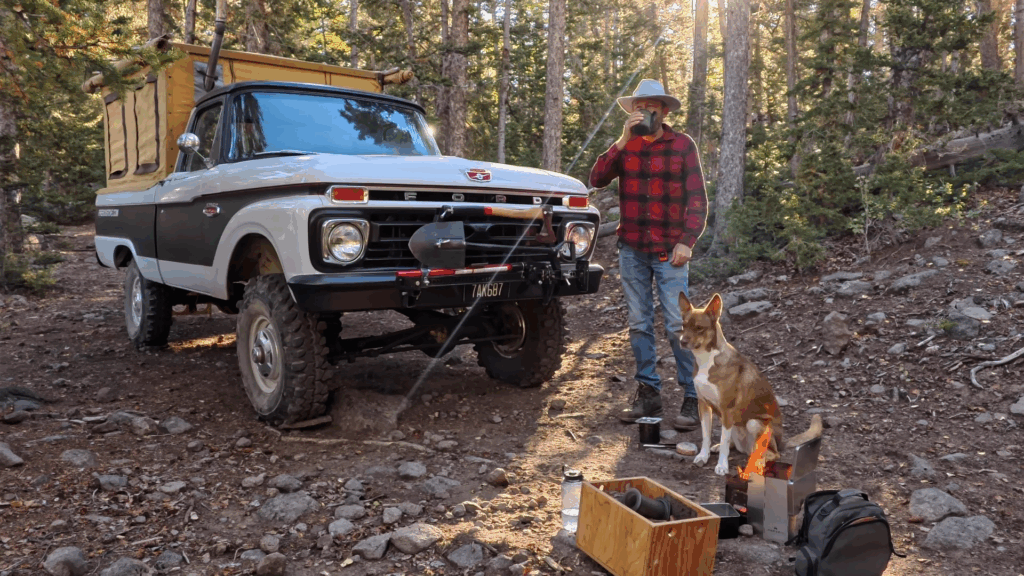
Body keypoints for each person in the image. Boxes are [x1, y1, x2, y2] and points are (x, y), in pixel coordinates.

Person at [589, 79, 708, 431]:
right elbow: (597, 179)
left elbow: (698, 199)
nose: (645, 113)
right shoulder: (626, 147)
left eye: (652, 106)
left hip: (670, 250)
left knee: (677, 323)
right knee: (639, 323)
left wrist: (687, 240)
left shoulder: (683, 145)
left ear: (665, 110)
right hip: (632, 249)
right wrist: (622, 141)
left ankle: (691, 393)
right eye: (639, 107)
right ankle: (648, 391)